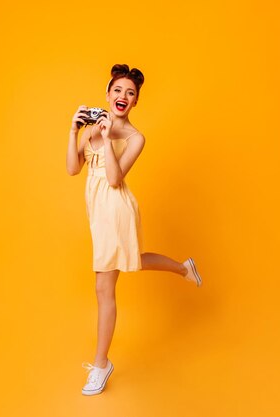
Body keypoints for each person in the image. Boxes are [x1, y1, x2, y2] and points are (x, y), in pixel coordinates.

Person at [66, 64, 203, 396]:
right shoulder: (91, 130)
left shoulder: (134, 137)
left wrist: (109, 135)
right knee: (133, 260)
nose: (122, 96)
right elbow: (73, 169)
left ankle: (101, 365)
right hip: (97, 212)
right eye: (117, 90)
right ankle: (182, 267)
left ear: (136, 101)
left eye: (130, 92)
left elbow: (115, 179)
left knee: (104, 287)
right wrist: (74, 131)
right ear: (108, 94)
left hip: (116, 209)